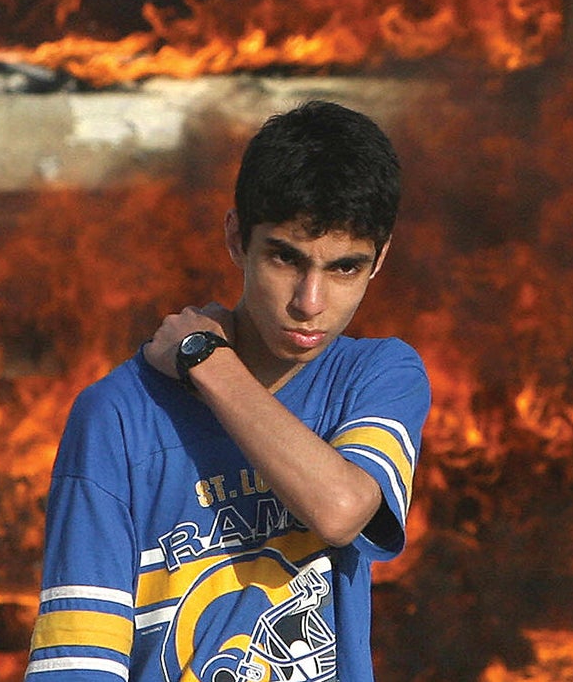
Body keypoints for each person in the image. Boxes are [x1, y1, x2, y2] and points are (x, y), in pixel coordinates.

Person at [24, 99, 431, 682]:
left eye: (344, 268)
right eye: (285, 258)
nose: (309, 302)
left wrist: (207, 363)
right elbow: (78, 666)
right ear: (238, 239)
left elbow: (341, 510)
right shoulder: (117, 416)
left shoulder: (376, 376)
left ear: (379, 261)